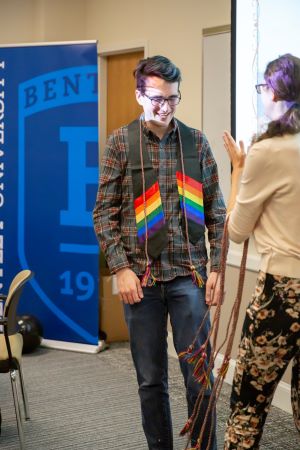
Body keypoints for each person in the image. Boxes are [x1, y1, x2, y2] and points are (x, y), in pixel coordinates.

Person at [93, 55, 226, 450]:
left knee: (199, 377)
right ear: (139, 95)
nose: (165, 107)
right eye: (156, 98)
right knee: (151, 381)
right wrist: (120, 269)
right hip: (141, 282)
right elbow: (103, 213)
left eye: (173, 98)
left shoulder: (196, 142)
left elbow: (217, 211)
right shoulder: (120, 143)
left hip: (190, 278)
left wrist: (216, 266)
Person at [223, 53, 300, 449]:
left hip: (282, 293)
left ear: (276, 92)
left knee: (247, 406)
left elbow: (236, 231)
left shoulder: (268, 149)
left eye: (262, 88)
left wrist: (238, 170)